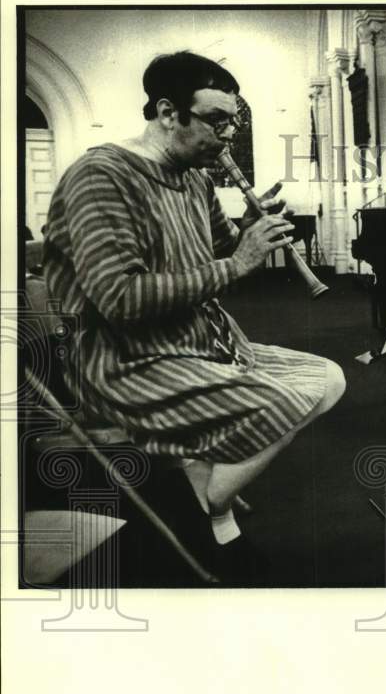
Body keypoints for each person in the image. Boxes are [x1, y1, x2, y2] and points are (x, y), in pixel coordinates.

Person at [43, 51, 346, 556]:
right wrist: (238, 263)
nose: (228, 136)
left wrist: (252, 230)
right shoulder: (101, 176)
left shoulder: (195, 176)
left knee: (329, 379)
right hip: (124, 361)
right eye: (217, 121)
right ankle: (209, 506)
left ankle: (208, 494)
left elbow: (220, 249)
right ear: (167, 113)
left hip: (195, 343)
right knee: (280, 402)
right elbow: (120, 298)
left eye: (234, 122)